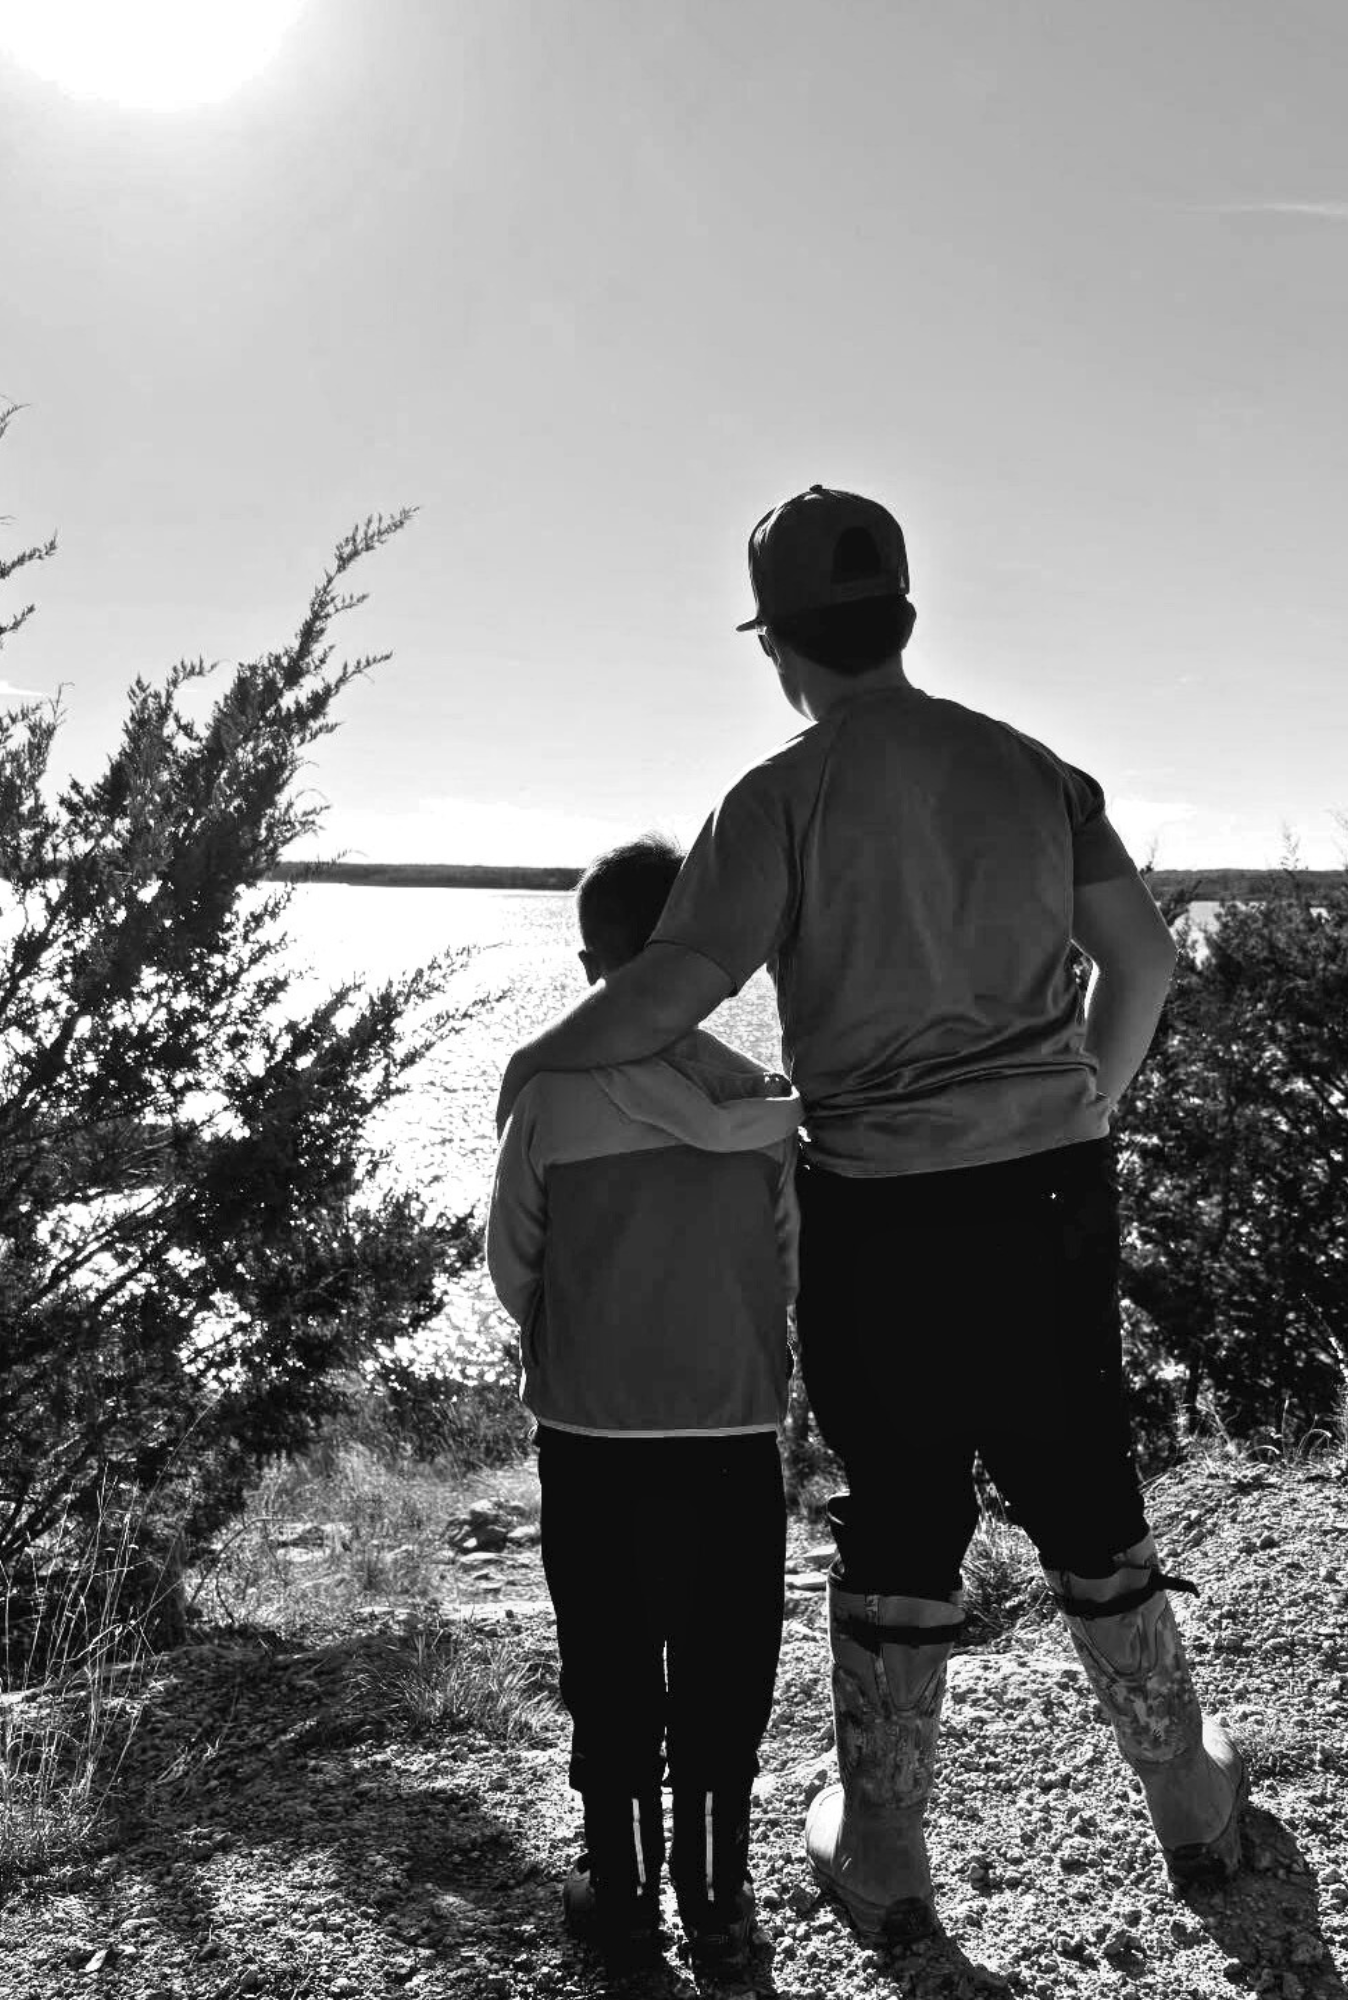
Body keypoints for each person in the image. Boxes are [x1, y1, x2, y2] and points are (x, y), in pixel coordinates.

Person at [496, 487, 1248, 1947]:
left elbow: (677, 987)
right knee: (1087, 1487)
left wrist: (543, 1055)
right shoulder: (1037, 772)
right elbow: (1143, 967)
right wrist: (1076, 1103)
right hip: (1048, 1190)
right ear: (902, 615)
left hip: (876, 1211)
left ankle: (887, 1850)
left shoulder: (778, 798)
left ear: (777, 643)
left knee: (901, 1511)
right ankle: (1192, 1805)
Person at [486, 836, 802, 1974]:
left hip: (589, 1432)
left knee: (609, 1663)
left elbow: (511, 1260)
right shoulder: (761, 1104)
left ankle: (618, 1890)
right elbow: (783, 1268)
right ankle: (715, 1895)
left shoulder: (551, 1097)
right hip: (728, 1427)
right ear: (704, 958)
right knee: (726, 1663)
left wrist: (574, 1326)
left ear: (588, 965)